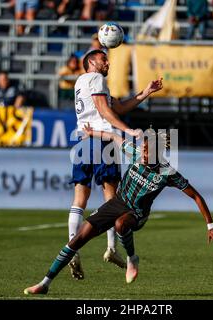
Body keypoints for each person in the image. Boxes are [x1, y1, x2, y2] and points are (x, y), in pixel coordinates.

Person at [23, 126, 213, 295]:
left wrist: (210, 226)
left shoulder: (168, 172)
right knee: (77, 240)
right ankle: (45, 283)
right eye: (143, 149)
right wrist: (92, 133)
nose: (144, 154)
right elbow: (113, 136)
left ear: (159, 152)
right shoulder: (136, 153)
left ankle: (131, 259)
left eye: (148, 151)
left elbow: (196, 196)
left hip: (137, 213)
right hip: (117, 203)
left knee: (121, 224)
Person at [65, 49, 163, 280]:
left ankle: (72, 249)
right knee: (114, 200)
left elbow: (118, 106)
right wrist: (127, 130)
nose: (107, 63)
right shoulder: (97, 79)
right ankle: (111, 249)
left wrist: (146, 92)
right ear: (91, 62)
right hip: (102, 142)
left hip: (82, 142)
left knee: (79, 199)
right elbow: (105, 110)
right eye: (103, 59)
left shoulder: (81, 82)